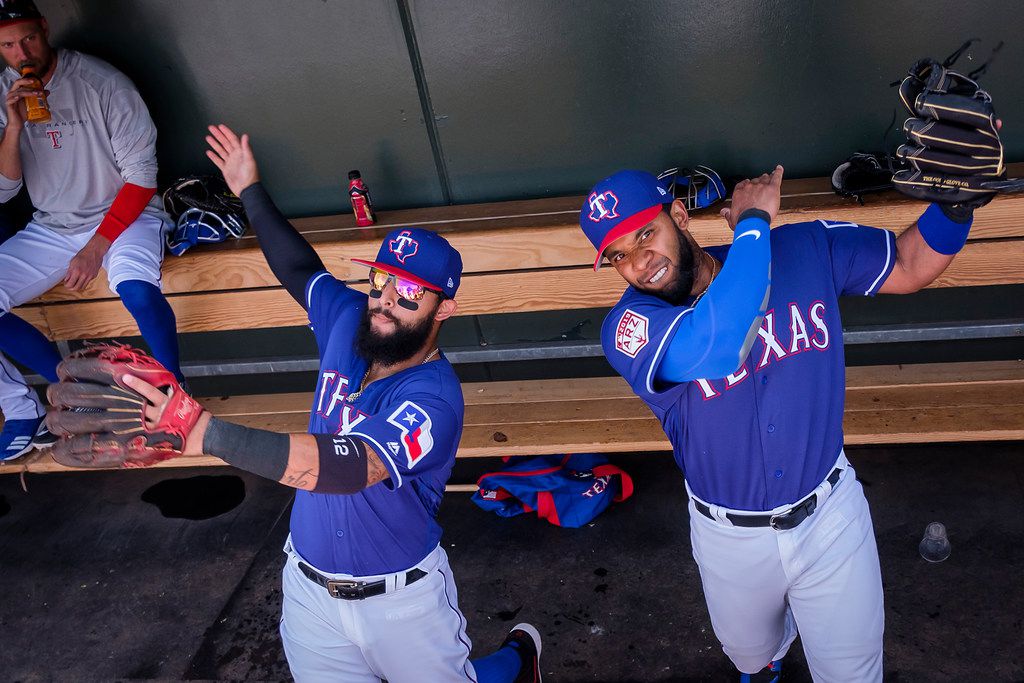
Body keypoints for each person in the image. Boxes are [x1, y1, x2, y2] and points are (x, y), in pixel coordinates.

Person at [49, 123, 543, 683]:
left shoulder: (434, 396)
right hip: (308, 594)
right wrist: (248, 189)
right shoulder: (350, 317)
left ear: (444, 309)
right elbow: (301, 268)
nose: (386, 301)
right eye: (382, 280)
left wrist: (202, 431)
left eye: (410, 293)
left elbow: (350, 466)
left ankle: (518, 663)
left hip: (402, 606)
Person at [580, 164, 986, 682]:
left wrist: (956, 206)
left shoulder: (803, 248)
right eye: (618, 256)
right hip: (729, 534)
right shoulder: (628, 327)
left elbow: (909, 264)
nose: (640, 263)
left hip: (830, 515)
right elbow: (721, 342)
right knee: (750, 654)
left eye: (645, 235)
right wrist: (753, 225)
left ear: (678, 216)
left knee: (853, 673)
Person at [0, 0, 182, 461]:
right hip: (54, 226)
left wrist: (97, 247)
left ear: (44, 28)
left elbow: (142, 177)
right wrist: (13, 128)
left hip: (125, 217)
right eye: (6, 44)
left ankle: (175, 395)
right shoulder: (6, 91)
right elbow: (5, 189)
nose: (21, 51)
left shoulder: (101, 83)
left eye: (28, 37)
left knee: (136, 289)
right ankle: (69, 394)